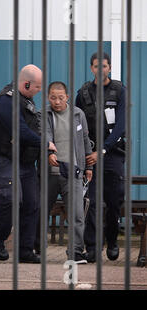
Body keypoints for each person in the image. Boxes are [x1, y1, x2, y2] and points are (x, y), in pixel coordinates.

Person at [0, 64, 56, 264]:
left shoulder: (26, 100)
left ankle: (25, 250)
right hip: (5, 160)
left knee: (31, 203)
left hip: (25, 162)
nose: (39, 91)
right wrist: (45, 143)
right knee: (11, 199)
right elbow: (19, 130)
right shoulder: (6, 101)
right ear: (26, 83)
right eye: (37, 87)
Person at [34, 81, 93, 264]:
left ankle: (75, 252)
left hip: (73, 172)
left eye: (60, 98)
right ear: (47, 97)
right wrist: (50, 153)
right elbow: (45, 135)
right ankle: (37, 249)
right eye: (53, 97)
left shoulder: (78, 114)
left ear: (67, 97)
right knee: (41, 212)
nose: (57, 101)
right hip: (50, 172)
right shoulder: (43, 114)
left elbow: (85, 140)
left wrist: (88, 167)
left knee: (76, 214)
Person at [76, 52, 126, 263]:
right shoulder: (83, 93)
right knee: (91, 203)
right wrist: (86, 153)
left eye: (104, 66)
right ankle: (93, 248)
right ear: (91, 68)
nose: (100, 69)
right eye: (96, 66)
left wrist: (103, 150)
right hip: (90, 155)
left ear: (110, 67)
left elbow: (121, 126)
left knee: (114, 202)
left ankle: (113, 241)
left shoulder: (119, 90)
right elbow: (77, 125)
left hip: (112, 155)